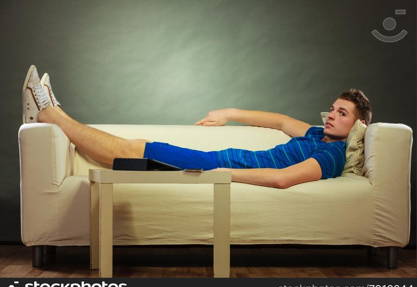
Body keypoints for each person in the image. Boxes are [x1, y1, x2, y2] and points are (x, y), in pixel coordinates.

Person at [22, 65, 372, 189]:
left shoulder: (331, 153)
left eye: (342, 113)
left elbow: (282, 178)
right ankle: (56, 114)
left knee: (137, 150)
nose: (330, 115)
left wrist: (221, 172)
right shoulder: (315, 134)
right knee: (137, 151)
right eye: (331, 108)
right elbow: (279, 121)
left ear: (358, 125)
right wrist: (228, 112)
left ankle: (51, 114)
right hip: (220, 158)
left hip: (220, 166)